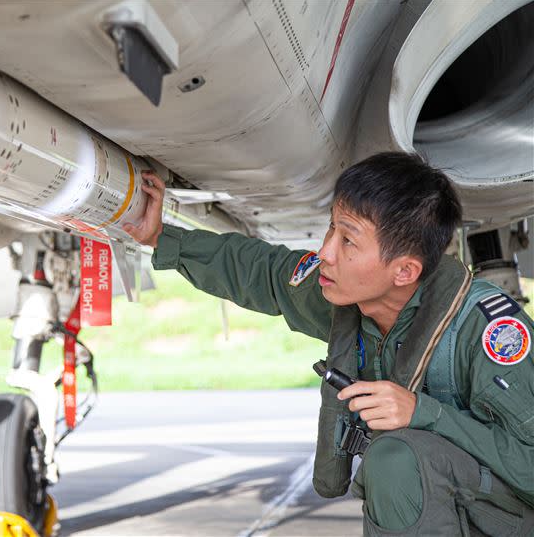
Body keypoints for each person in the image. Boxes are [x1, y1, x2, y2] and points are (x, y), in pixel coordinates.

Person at [123, 152, 534, 536]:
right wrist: (162, 237)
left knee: (397, 460)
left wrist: (425, 414)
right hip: (452, 497)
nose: (325, 252)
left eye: (348, 241)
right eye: (331, 229)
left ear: (405, 271)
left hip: (508, 515)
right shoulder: (349, 295)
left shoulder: (489, 334)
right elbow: (263, 272)